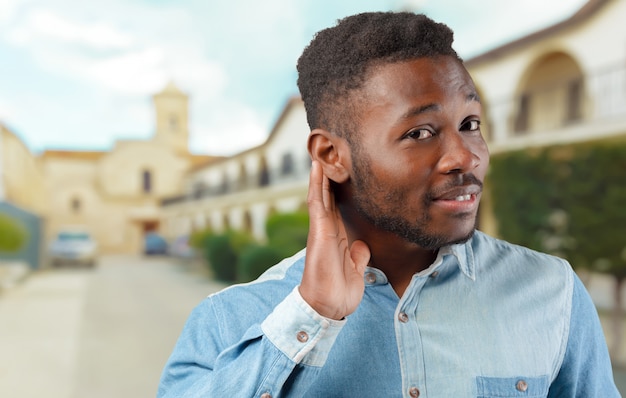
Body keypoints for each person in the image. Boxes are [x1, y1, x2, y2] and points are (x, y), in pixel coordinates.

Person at [157, 12, 619, 397]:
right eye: (420, 132)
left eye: (471, 122)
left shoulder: (552, 292)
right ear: (331, 156)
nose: (466, 156)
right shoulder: (229, 321)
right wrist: (310, 313)